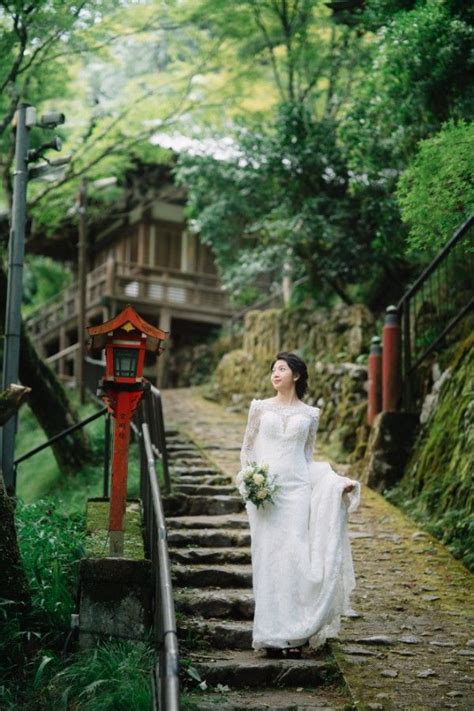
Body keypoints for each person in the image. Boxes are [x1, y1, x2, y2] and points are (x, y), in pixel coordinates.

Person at [239, 351, 361, 658]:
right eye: (273, 369)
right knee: (267, 560)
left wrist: (335, 483)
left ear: (296, 375)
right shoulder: (259, 408)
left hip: (296, 492)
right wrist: (252, 481)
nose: (275, 373)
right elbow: (247, 451)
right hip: (265, 494)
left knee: (294, 556)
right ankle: (269, 634)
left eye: (282, 368)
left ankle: (294, 634)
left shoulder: (310, 415)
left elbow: (307, 460)